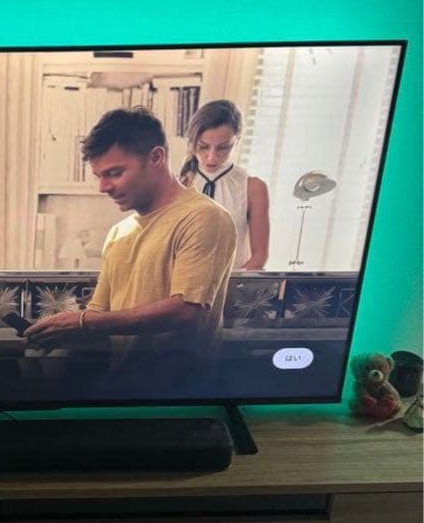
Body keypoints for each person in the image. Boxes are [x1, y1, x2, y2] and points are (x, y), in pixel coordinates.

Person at [24, 108, 237, 372]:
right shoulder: (118, 233)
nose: (103, 187)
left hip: (183, 388)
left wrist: (82, 323)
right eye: (99, 176)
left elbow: (188, 312)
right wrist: (57, 332)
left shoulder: (204, 217)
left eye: (114, 173)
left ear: (156, 158)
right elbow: (99, 316)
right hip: (122, 383)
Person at [179, 99, 269, 270]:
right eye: (203, 146)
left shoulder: (253, 189)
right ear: (192, 141)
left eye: (223, 148)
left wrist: (231, 283)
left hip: (233, 282)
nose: (211, 157)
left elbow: (259, 256)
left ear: (237, 140)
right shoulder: (180, 184)